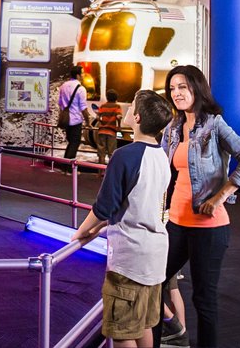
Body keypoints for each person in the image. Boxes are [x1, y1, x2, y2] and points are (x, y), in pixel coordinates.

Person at [158, 65, 240, 348]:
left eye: (182, 87)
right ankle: (173, 334)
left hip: (209, 228)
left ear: (197, 88)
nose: (176, 93)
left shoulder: (214, 125)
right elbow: (160, 168)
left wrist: (220, 197)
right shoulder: (172, 128)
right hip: (176, 223)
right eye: (172, 88)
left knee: (203, 299)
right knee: (154, 284)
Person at [72, 90, 174, 348]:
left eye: (132, 106)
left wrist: (81, 232)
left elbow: (104, 206)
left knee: (122, 331)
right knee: (144, 324)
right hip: (155, 255)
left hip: (130, 258)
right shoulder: (162, 156)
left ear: (137, 117)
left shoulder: (125, 155)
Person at [58, 66, 93, 164]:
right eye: (82, 73)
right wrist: (88, 122)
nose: (83, 75)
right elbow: (83, 108)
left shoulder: (63, 86)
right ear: (78, 75)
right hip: (76, 120)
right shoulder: (81, 89)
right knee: (74, 143)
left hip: (66, 120)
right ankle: (68, 167)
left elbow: (60, 103)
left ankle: (65, 165)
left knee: (71, 142)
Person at [96, 89, 124, 165]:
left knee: (101, 153)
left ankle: (100, 171)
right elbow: (118, 116)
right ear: (116, 97)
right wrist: (119, 126)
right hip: (111, 132)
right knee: (111, 153)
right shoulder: (117, 106)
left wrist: (102, 122)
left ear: (107, 97)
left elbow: (97, 117)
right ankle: (110, 170)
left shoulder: (103, 106)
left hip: (101, 131)